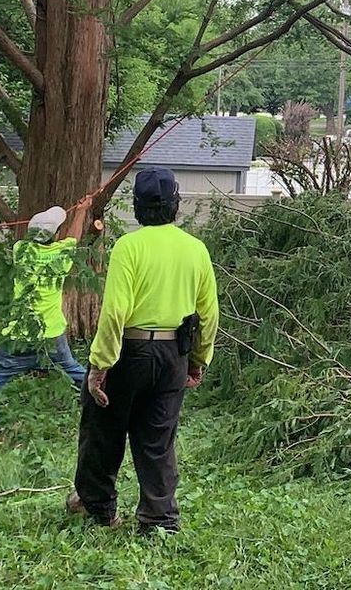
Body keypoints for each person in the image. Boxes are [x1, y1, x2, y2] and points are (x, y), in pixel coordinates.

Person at [69, 167, 218, 534]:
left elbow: (115, 311)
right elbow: (209, 313)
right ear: (176, 204)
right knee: (158, 439)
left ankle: (98, 509)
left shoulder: (128, 247)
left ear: (136, 207)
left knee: (103, 430)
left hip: (129, 351)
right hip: (174, 354)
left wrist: (100, 364)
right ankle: (159, 520)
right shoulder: (195, 249)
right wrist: (198, 359)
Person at [0, 205, 87, 438]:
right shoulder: (62, 254)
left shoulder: (21, 250)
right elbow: (74, 237)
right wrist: (82, 210)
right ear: (56, 235)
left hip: (19, 333)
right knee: (74, 371)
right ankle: (106, 398)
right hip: (51, 333)